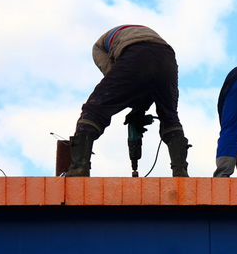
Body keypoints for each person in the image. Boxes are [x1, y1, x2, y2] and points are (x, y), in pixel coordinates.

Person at [67, 25, 190, 177]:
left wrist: (135, 106)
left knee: (95, 109)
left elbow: (117, 79)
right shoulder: (135, 33)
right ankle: (180, 171)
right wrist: (139, 110)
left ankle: (79, 168)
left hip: (136, 52)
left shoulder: (98, 48)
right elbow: (143, 83)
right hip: (167, 57)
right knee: (169, 115)